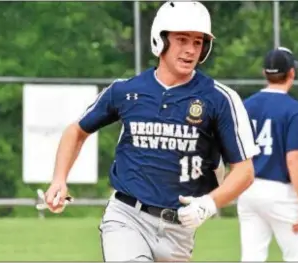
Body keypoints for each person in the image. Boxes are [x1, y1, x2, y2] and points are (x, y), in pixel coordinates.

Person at [39, 1, 259, 261]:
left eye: (198, 42)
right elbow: (76, 131)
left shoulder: (220, 99)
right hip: (126, 216)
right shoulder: (125, 90)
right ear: (160, 39)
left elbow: (244, 171)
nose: (190, 50)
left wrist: (208, 204)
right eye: (182, 39)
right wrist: (59, 179)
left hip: (179, 230)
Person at [237, 47, 298, 262]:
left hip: (248, 188)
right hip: (280, 192)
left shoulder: (246, 106)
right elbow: (294, 159)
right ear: (292, 73)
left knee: (252, 257)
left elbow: (236, 152)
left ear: (264, 73)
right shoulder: (293, 109)